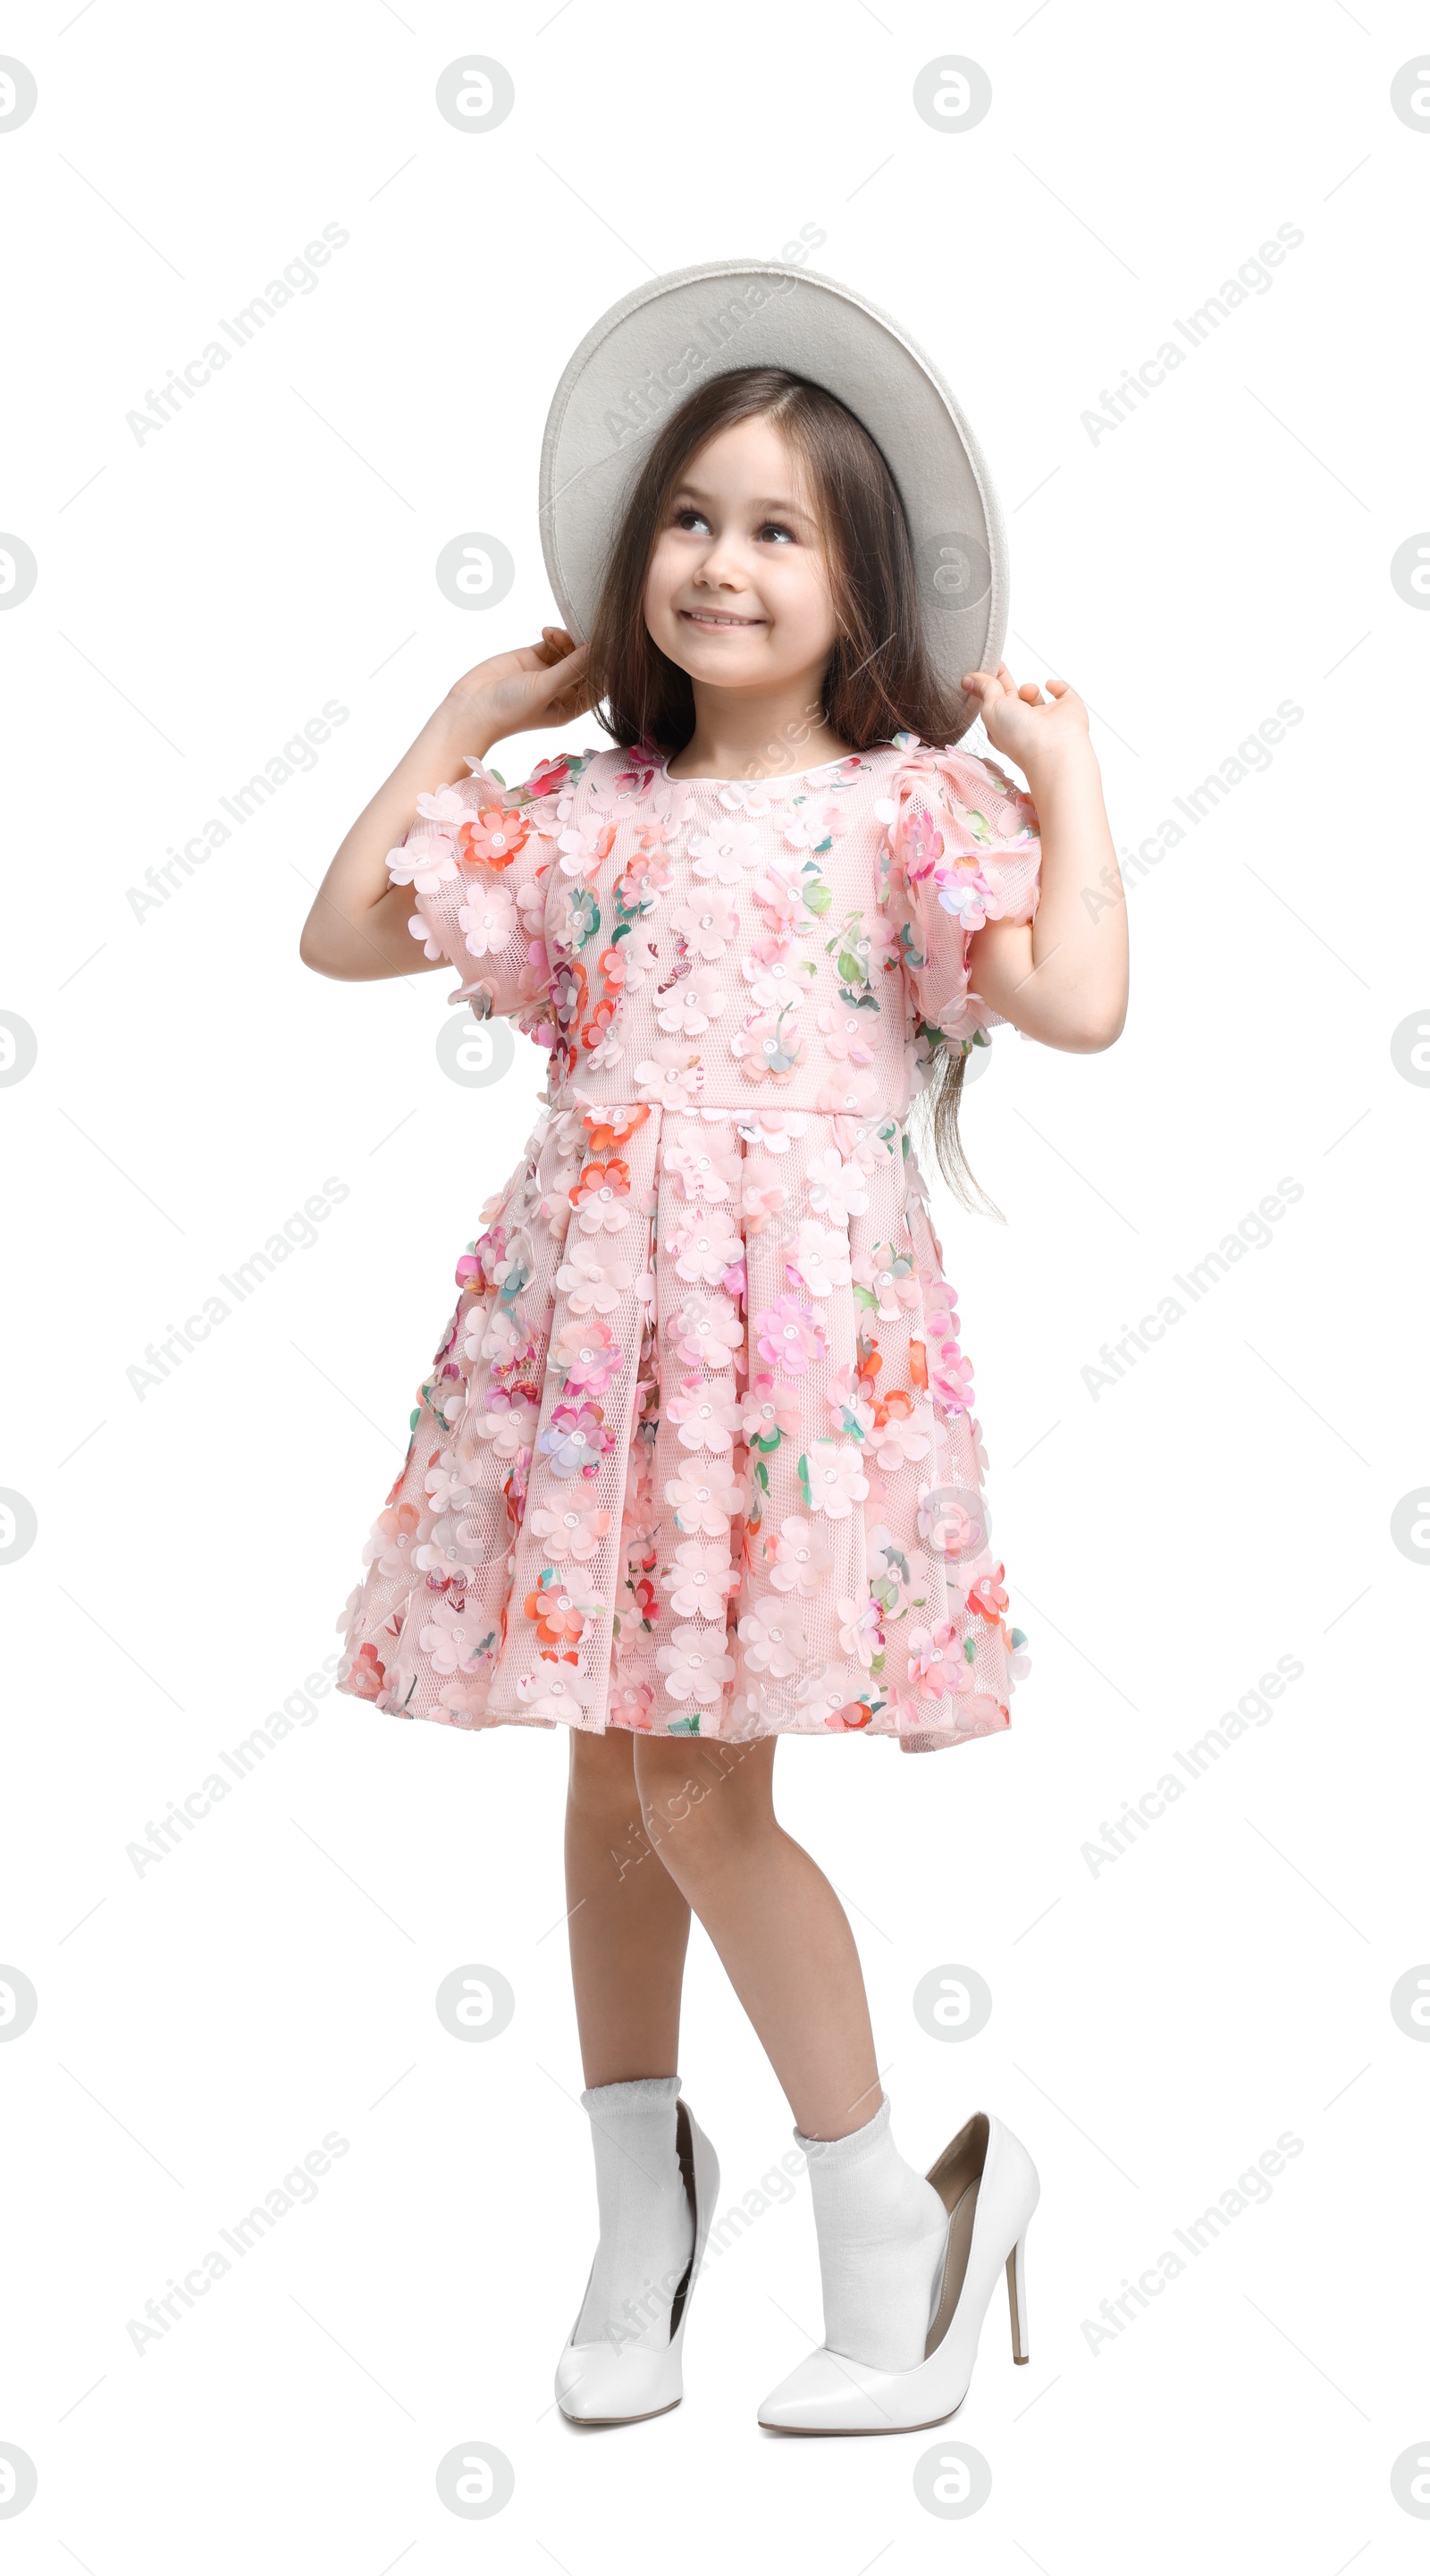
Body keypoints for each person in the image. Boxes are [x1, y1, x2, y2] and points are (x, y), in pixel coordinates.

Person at [300, 272, 1127, 2437]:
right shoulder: (582, 809)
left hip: (777, 1372)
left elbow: (1073, 1003)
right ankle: (638, 2212)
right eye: (688, 519)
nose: (719, 562)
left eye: (774, 527)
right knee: (601, 1773)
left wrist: (1067, 772)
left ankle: (902, 2225)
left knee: (695, 1783)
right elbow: (344, 927)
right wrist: (470, 715)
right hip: (588, 1347)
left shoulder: (907, 808)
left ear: (854, 571)